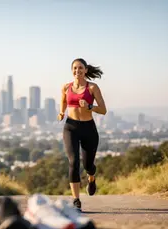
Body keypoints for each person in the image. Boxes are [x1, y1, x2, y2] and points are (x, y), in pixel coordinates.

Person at [57, 58, 107, 212]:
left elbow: (103, 110)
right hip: (71, 127)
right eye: (74, 68)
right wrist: (61, 112)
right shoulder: (66, 87)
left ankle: (91, 178)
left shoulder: (92, 87)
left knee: (88, 165)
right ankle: (76, 200)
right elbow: (64, 101)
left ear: (85, 70)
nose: (77, 71)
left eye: (80, 68)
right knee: (73, 162)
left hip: (88, 128)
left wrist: (90, 106)